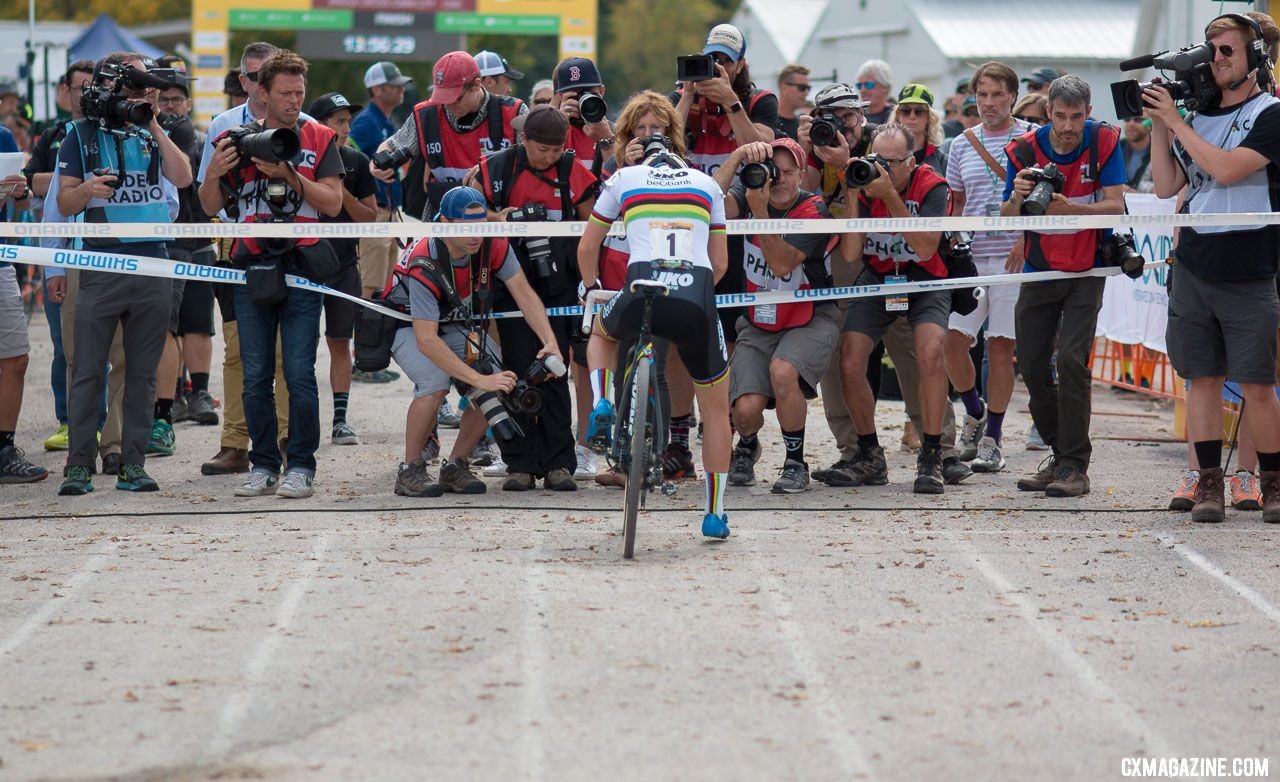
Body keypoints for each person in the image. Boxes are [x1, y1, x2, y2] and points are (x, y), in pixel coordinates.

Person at [1146, 11, 1280, 522]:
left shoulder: (1270, 113)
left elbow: (1225, 171)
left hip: (1248, 267)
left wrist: (1178, 121)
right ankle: (1208, 485)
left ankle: (1272, 483)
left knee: (1257, 385)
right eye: (1211, 50)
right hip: (1196, 262)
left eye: (1228, 50)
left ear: (1254, 58)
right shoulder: (1196, 118)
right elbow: (1164, 186)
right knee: (1201, 379)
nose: (1216, 59)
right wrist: (1162, 125)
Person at [198, 49, 344, 499]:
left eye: (300, 92)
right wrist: (214, 174)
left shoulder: (319, 137)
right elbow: (207, 207)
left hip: (302, 267)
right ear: (261, 93)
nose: (294, 101)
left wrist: (290, 175)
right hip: (251, 265)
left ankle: (300, 464)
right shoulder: (238, 139)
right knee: (256, 373)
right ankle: (263, 465)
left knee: (299, 372)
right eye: (284, 93)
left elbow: (334, 203)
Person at [577, 137, 733, 539]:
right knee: (716, 411)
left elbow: (588, 245)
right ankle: (715, 513)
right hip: (693, 293)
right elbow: (720, 265)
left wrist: (591, 286)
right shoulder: (707, 183)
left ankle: (602, 401)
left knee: (601, 333)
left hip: (639, 288)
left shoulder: (624, 177)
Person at [55, 50, 192, 495]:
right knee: (89, 369)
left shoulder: (156, 130)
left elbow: (184, 177)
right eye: (135, 85)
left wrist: (150, 122)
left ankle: (132, 463)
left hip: (153, 261)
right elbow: (63, 204)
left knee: (142, 372)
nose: (144, 92)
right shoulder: (80, 133)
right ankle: (79, 463)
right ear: (112, 84)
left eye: (147, 85)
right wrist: (89, 190)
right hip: (102, 261)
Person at [382, 186, 562, 497]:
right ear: (443, 224)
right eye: (465, 227)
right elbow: (426, 340)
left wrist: (550, 341)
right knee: (435, 382)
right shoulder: (425, 258)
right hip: (406, 325)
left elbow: (524, 294)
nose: (475, 236)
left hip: (451, 322)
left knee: (499, 385)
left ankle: (456, 465)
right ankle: (409, 469)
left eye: (479, 226)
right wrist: (480, 379)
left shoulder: (495, 246)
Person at [1004, 74, 1125, 497]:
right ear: (1047, 111)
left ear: (1089, 112)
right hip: (1040, 267)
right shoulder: (1022, 148)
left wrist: (1069, 207)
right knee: (1033, 365)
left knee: (1073, 361)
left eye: (1077, 116)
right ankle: (1061, 455)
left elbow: (1116, 204)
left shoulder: (1104, 140)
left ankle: (1075, 464)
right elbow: (1005, 216)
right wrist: (1019, 196)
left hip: (1088, 266)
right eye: (1060, 116)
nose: (1069, 126)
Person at [475, 106, 597, 491]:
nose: (550, 157)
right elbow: (470, 213)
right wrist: (502, 218)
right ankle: (519, 464)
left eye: (557, 149)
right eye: (543, 149)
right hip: (509, 281)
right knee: (514, 371)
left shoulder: (571, 171)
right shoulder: (494, 169)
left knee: (556, 369)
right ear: (523, 139)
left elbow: (595, 222)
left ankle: (560, 463)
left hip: (559, 284)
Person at [833, 124, 954, 493]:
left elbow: (926, 248)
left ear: (911, 161)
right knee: (851, 359)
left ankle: (932, 454)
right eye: (875, 160)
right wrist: (853, 194)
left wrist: (889, 197)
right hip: (880, 276)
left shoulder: (933, 186)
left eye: (890, 162)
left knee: (930, 352)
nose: (880, 169)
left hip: (925, 278)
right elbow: (852, 254)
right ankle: (869, 452)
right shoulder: (864, 182)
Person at [713, 137, 837, 493]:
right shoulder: (750, 192)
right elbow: (707, 204)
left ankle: (796, 463)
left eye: (786, 172)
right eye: (770, 172)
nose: (777, 180)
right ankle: (748, 444)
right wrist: (737, 157)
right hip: (759, 320)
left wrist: (761, 211)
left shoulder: (814, 210)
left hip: (809, 315)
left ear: (801, 174)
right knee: (746, 412)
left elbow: (782, 264)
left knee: (783, 373)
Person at [197, 42, 298, 477]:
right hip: (236, 250)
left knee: (288, 354)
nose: (262, 88)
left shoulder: (303, 127)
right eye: (256, 78)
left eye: (269, 79)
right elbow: (206, 201)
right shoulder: (223, 126)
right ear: (245, 82)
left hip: (289, 250)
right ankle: (235, 443)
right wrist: (220, 171)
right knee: (239, 352)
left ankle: (286, 440)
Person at [943, 61, 1035, 474]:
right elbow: (956, 202)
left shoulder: (1031, 138)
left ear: (1013, 96)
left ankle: (994, 438)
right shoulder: (961, 143)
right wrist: (952, 244)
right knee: (952, 341)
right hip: (971, 256)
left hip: (1014, 256)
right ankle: (974, 412)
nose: (989, 103)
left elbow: (1042, 199)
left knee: (1001, 348)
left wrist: (1025, 239)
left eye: (998, 94)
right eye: (982, 95)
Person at [24, 60, 94, 452]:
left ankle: (104, 427)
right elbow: (30, 181)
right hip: (62, 255)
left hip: (104, 258)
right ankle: (69, 421)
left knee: (104, 352)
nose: (86, 95)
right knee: (64, 346)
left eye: (92, 86)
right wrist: (72, 178)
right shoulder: (52, 135)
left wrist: (65, 179)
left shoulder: (110, 133)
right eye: (79, 87)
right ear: (65, 92)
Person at [372, 51, 526, 221]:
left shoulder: (514, 113)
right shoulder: (426, 114)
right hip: (446, 224)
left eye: (454, 99)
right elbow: (393, 144)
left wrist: (491, 166)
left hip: (500, 224)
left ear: (476, 85)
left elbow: (538, 158)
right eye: (442, 98)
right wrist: (377, 162)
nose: (448, 106)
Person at [310, 91, 378, 447]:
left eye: (348, 121)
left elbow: (369, 216)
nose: (346, 128)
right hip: (303, 263)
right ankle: (299, 421)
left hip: (343, 264)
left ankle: (340, 419)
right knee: (300, 345)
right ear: (318, 125)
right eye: (338, 121)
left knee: (340, 341)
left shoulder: (356, 160)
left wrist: (339, 191)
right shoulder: (299, 158)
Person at [0, 121, 46, 483]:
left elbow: (27, 201)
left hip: (1, 262)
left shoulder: (2, 136)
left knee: (15, 357)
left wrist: (19, 193)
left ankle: (4, 449)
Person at [350, 61, 413, 300]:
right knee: (370, 287)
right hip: (373, 213)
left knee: (385, 289)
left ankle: (378, 336)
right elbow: (350, 162)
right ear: (377, 90)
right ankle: (366, 336)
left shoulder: (385, 121)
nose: (401, 89)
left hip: (388, 212)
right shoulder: (366, 122)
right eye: (395, 85)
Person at [551, 57, 614, 176]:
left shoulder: (620, 132)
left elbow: (624, 180)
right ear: (560, 96)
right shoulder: (551, 131)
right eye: (574, 94)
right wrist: (558, 126)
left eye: (587, 92)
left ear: (601, 91)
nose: (581, 100)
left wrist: (607, 141)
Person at [895, 83, 946, 171]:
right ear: (898, 115)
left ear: (929, 117)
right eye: (905, 111)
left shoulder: (942, 161)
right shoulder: (885, 154)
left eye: (919, 111)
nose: (912, 116)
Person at [774, 64, 811, 140]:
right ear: (784, 88)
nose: (806, 93)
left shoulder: (802, 125)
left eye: (808, 88)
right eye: (802, 88)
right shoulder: (767, 123)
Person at [1120, 116, 1153, 192]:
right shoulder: (1116, 148)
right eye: (1127, 119)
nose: (1131, 124)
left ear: (1150, 125)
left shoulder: (1162, 151)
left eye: (1138, 119)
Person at [855, 59, 894, 124]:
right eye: (859, 85)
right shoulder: (857, 116)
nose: (862, 90)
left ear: (884, 86)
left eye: (868, 85)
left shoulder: (896, 116)